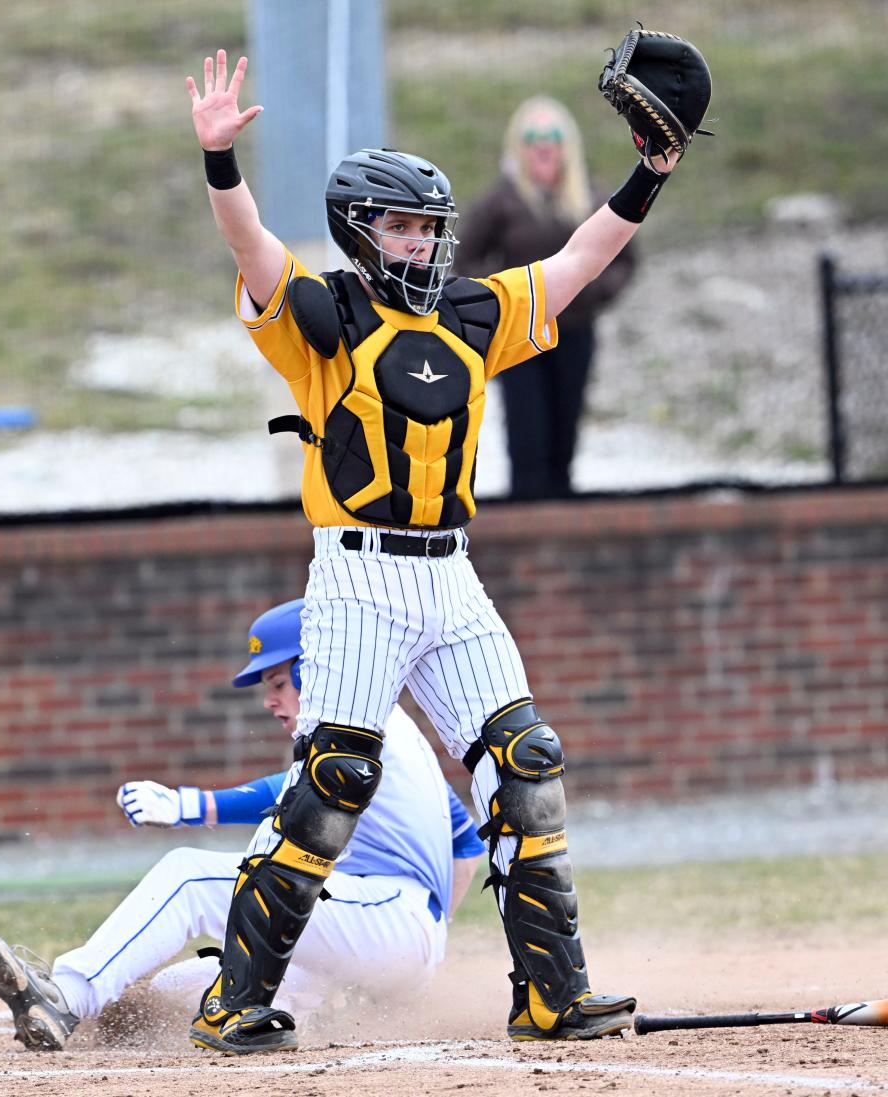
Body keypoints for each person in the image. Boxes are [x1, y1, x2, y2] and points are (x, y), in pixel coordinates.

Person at [184, 47, 680, 1054]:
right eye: (405, 226)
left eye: (430, 227)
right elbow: (253, 252)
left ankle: (550, 993)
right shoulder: (324, 313)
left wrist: (649, 172)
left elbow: (581, 258)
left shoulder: (469, 312)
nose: (423, 242)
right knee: (334, 779)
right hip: (359, 573)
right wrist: (220, 162)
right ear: (362, 233)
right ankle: (234, 998)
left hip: (451, 571)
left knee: (525, 760)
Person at [0, 599, 485, 1053]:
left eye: (279, 681)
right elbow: (464, 843)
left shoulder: (364, 724)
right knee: (165, 993)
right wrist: (417, 956)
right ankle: (311, 1010)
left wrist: (188, 804)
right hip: (379, 931)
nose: (269, 699)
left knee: (190, 875)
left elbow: (292, 791)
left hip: (387, 915)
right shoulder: (388, 726)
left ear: (318, 667)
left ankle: (68, 996)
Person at [454, 96, 636, 499]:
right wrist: (507, 296)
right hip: (520, 337)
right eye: (532, 136)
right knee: (526, 432)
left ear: (566, 144)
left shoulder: (589, 196)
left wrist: (593, 292)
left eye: (552, 135)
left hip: (574, 330)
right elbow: (462, 261)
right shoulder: (501, 199)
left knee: (565, 426)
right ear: (519, 145)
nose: (543, 144)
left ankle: (562, 513)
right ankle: (526, 514)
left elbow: (625, 257)